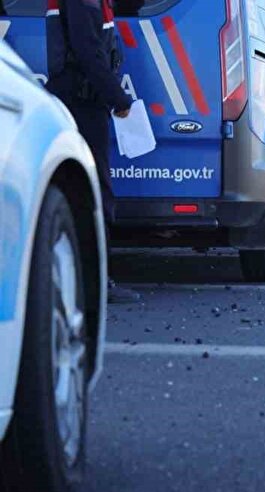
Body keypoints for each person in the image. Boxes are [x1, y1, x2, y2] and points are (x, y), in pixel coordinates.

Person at [47, 0, 140, 303]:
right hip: (83, 102)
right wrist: (118, 98)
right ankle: (95, 282)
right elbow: (88, 50)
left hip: (81, 99)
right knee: (96, 192)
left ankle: (87, 279)